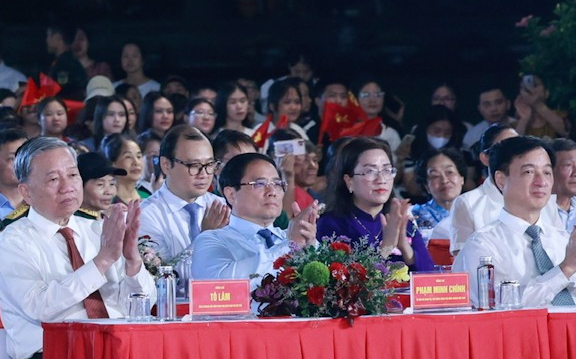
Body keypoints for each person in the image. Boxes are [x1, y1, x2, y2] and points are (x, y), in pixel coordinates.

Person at [0, 138, 153, 359]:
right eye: (53, 179)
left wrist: (132, 260)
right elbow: (41, 307)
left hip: (115, 349)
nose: (67, 187)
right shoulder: (14, 241)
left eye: (73, 175)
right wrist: (101, 262)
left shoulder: (97, 230)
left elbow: (140, 305)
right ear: (26, 192)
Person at [457, 135, 576, 308]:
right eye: (529, 172)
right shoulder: (482, 246)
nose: (541, 182)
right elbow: (502, 304)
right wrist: (565, 270)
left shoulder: (564, 240)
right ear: (501, 180)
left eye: (547, 172)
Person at [189, 152, 317, 283]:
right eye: (260, 184)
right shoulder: (211, 240)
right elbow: (221, 284)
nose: (272, 192)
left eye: (277, 184)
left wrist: (310, 246)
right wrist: (290, 246)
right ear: (231, 194)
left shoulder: (290, 237)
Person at [316, 137, 433, 270]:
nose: (381, 179)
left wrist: (405, 247)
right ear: (349, 181)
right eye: (370, 171)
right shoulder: (330, 225)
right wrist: (387, 246)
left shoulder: (400, 222)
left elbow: (430, 279)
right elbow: (346, 284)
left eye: (387, 170)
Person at [135, 126, 229, 261]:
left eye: (209, 164)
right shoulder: (145, 214)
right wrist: (205, 238)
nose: (204, 174)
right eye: (193, 165)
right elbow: (161, 275)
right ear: (166, 165)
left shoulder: (222, 206)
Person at [463, 87, 512, 152]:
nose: (493, 108)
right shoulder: (472, 136)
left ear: (508, 104)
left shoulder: (521, 126)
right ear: (479, 108)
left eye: (498, 102)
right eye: (487, 104)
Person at [76, 151, 121, 218]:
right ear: (79, 185)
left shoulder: (110, 217)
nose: (109, 192)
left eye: (112, 184)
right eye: (100, 184)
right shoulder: (71, 221)